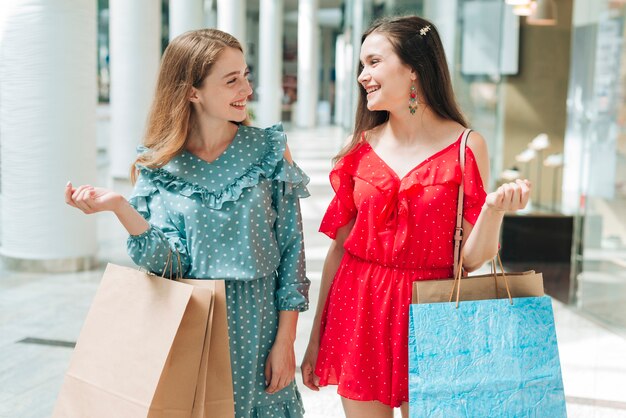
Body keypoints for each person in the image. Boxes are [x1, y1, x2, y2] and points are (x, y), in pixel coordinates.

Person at [65, 29, 310, 418]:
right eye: (232, 80)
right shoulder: (160, 165)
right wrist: (119, 208)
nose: (246, 88)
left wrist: (286, 341)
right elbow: (170, 264)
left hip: (260, 327)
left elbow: (292, 248)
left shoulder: (268, 149)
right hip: (194, 326)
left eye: (246, 75)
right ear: (192, 91)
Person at [300, 16, 531, 418]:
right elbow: (339, 249)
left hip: (431, 311)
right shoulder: (360, 146)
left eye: (373, 62)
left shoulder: (465, 145)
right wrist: (316, 336)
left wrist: (493, 210)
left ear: (413, 68)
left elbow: (470, 261)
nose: (362, 76)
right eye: (361, 65)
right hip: (358, 308)